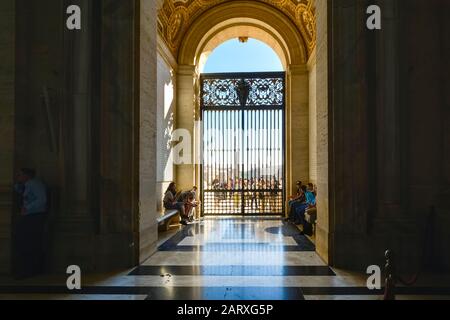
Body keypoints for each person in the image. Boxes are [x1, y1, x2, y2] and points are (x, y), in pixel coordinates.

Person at [13, 168, 48, 279]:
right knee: (27, 243)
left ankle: (29, 270)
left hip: (34, 216)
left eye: (20, 175)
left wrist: (27, 208)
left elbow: (42, 200)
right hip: (30, 216)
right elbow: (23, 193)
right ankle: (29, 270)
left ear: (26, 175)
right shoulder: (28, 184)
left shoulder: (35, 184)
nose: (18, 177)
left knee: (29, 243)